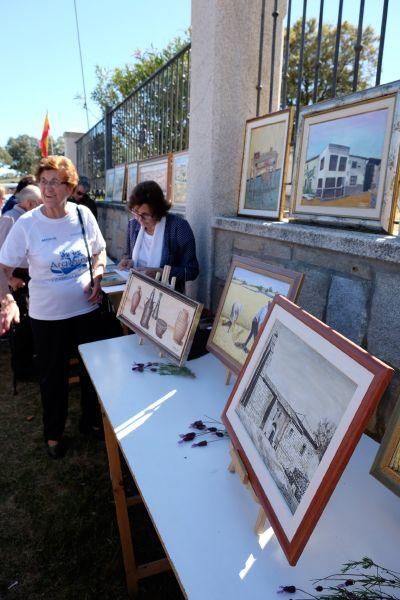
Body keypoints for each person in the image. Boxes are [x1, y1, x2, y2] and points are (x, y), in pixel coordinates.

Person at [0, 156, 106, 459]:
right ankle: (54, 433)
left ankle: (90, 422)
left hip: (86, 311)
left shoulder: (84, 215)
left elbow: (99, 251)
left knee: (90, 372)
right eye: (43, 181)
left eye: (55, 181)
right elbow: (3, 265)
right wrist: (7, 297)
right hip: (47, 316)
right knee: (53, 376)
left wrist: (97, 273)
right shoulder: (27, 223)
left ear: (70, 187)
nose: (47, 188)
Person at [118, 180, 199, 293]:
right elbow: (128, 254)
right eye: (136, 212)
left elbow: (192, 271)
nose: (140, 219)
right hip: (135, 291)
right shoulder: (133, 225)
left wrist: (161, 272)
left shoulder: (178, 228)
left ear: (158, 211)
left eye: (145, 215)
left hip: (166, 297)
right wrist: (128, 261)